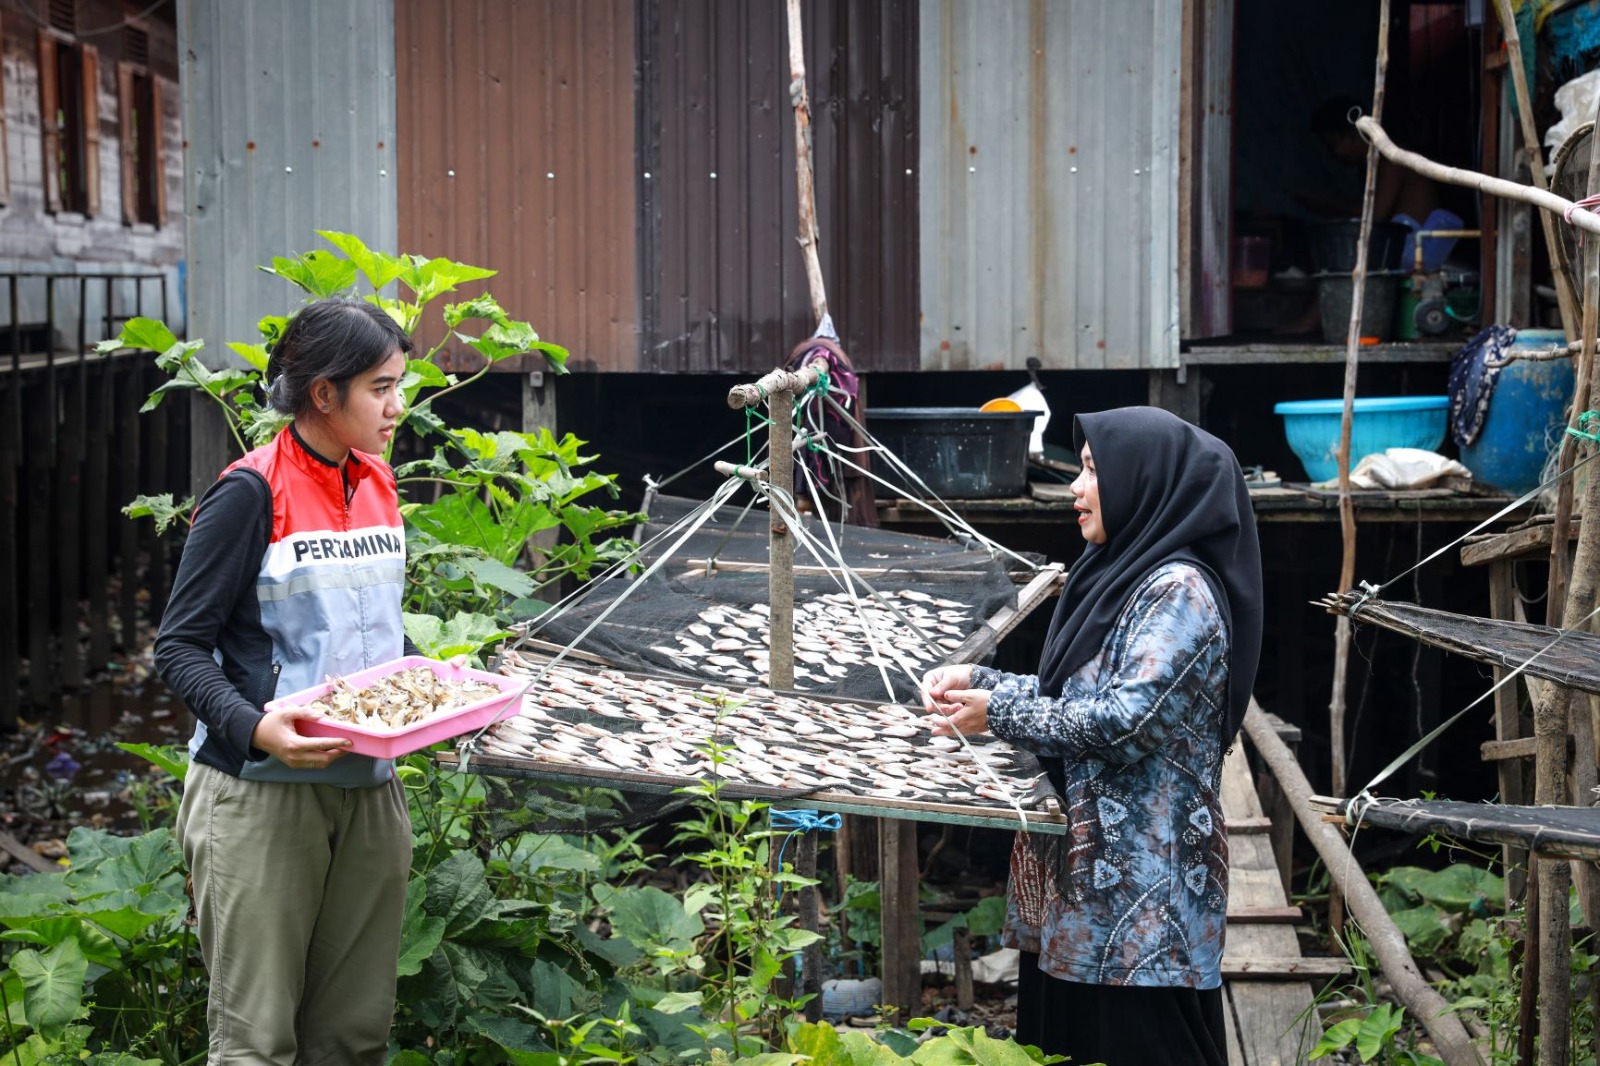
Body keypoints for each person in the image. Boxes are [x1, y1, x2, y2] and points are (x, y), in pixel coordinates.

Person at [920, 406, 1263, 1066]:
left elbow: (1122, 722)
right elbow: (1074, 698)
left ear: (1145, 480)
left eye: (1091, 471)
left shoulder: (1178, 592)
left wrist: (996, 713)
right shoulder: (1120, 579)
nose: (1076, 490)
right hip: (1086, 899)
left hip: (1144, 910)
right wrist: (978, 682)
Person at [155, 297, 417, 1064]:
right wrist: (255, 725)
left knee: (353, 1035)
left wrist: (440, 698)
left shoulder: (376, 480)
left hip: (368, 786)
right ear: (323, 393)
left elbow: (377, 632)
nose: (397, 407)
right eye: (381, 387)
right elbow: (178, 648)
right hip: (262, 792)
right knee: (256, 1041)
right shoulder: (249, 492)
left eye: (400, 385)